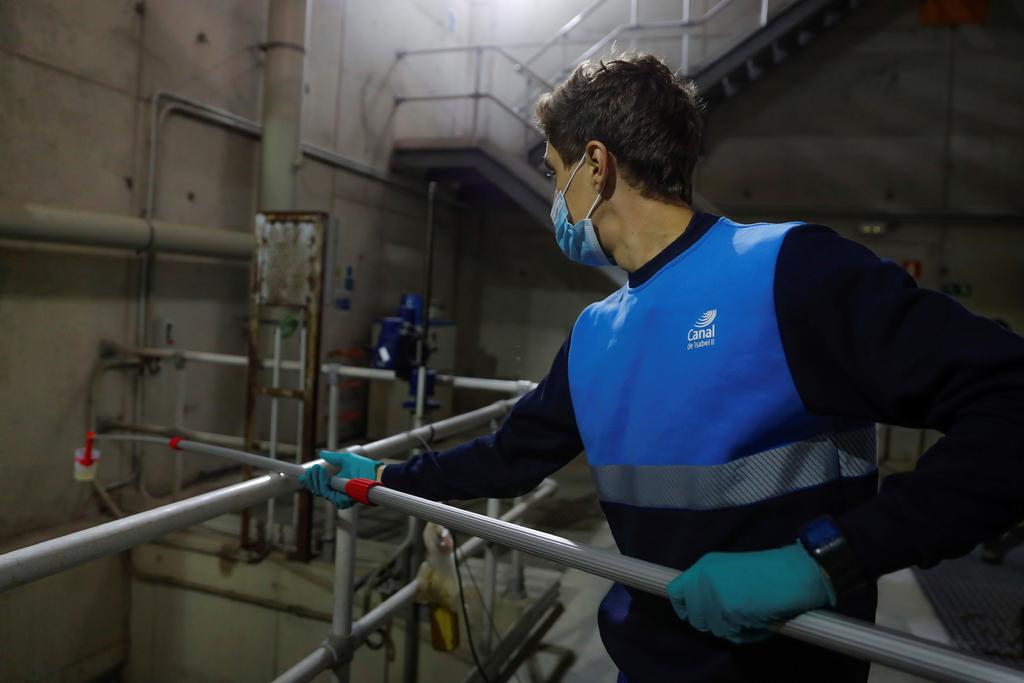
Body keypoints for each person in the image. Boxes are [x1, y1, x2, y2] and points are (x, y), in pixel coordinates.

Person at [300, 53, 1024, 682]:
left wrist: (825, 559)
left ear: (595, 165)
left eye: (555, 174)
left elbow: (1012, 402)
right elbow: (508, 458)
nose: (555, 200)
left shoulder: (788, 273)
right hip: (647, 665)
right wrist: (382, 478)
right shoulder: (595, 333)